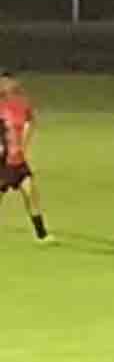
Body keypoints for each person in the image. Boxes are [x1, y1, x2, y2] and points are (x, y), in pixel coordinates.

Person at [0, 71, 54, 243]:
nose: (7, 85)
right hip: (3, 161)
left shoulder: (21, 103)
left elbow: (30, 120)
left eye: (9, 81)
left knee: (30, 193)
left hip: (18, 159)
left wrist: (25, 140)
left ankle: (42, 234)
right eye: (4, 82)